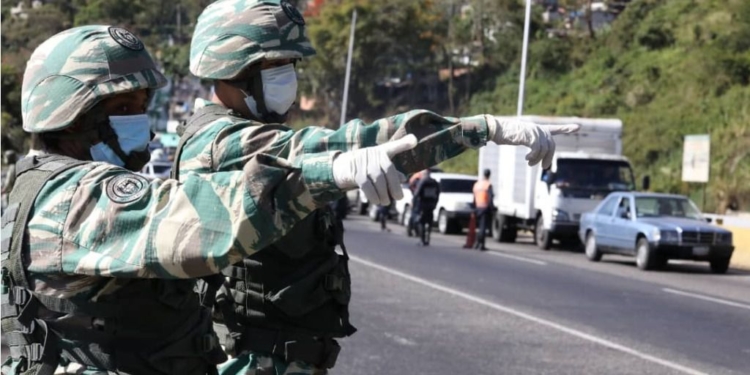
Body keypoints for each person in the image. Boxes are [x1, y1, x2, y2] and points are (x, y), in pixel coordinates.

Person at [185, 1, 579, 373]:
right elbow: (332, 145)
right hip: (249, 359)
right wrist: (478, 129)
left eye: (290, 62)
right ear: (232, 68)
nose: (287, 74)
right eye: (274, 64)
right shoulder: (221, 143)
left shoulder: (250, 133)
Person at [0, 25, 412, 375]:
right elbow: (202, 220)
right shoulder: (77, 197)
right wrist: (333, 171)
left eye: (142, 106)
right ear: (70, 114)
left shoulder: (27, 184)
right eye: (123, 107)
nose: (139, 121)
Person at [412, 169, 441, 246]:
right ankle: (428, 239)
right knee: (429, 222)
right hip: (431, 205)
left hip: (423, 205)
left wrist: (414, 204)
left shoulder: (423, 181)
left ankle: (422, 239)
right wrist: (435, 203)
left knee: (421, 222)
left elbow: (416, 194)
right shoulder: (434, 182)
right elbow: (438, 194)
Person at [472, 169, 494, 250]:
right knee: (483, 228)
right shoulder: (488, 185)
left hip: (477, 208)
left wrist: (473, 208)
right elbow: (490, 198)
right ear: (489, 175)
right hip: (485, 208)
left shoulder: (477, 184)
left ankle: (477, 243)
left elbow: (474, 197)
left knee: (479, 227)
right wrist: (491, 208)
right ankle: (481, 244)